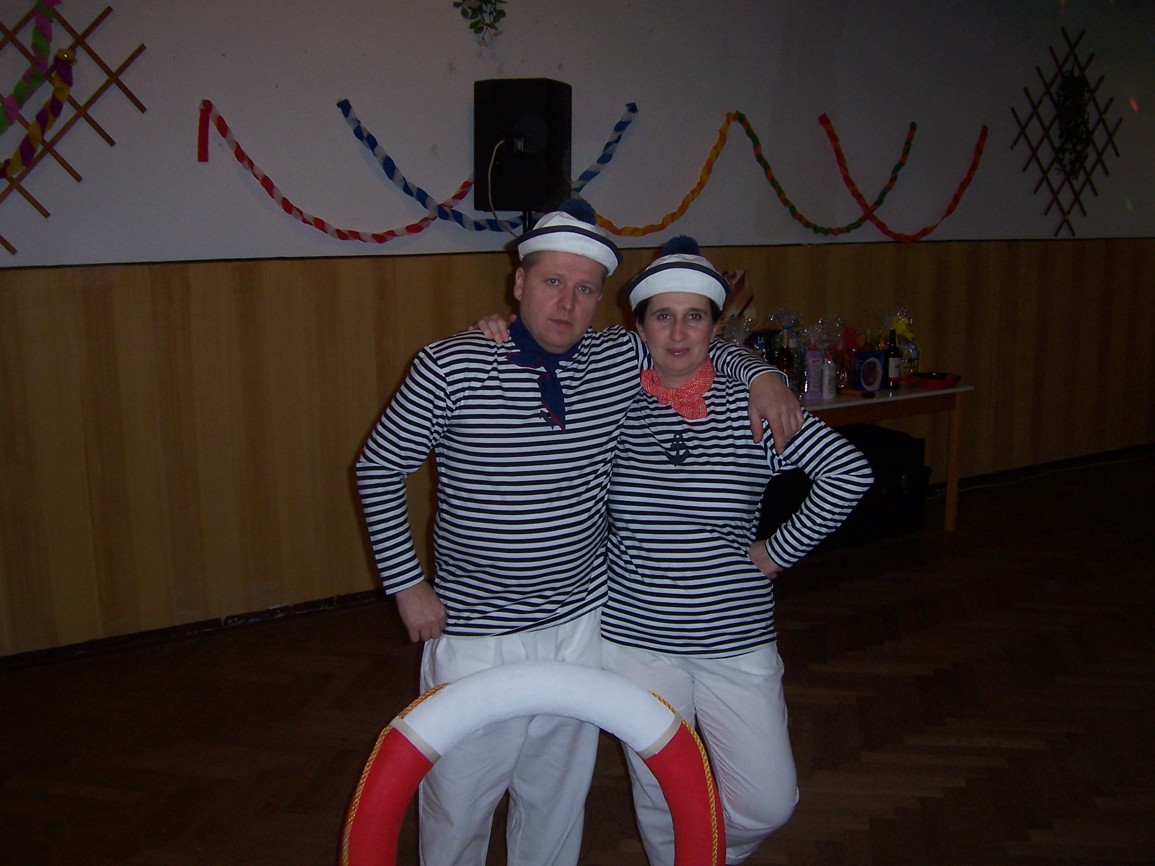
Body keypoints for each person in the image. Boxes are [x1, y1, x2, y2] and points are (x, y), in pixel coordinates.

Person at [354, 200, 802, 866]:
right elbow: (378, 466)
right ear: (518, 283)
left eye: (585, 288)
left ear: (599, 299)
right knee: (458, 807)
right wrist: (406, 584)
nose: (567, 302)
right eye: (552, 282)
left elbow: (694, 342)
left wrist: (763, 375)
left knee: (555, 802)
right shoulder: (450, 365)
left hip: (578, 627)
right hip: (476, 632)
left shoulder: (618, 358)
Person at [600, 236, 874, 866]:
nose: (677, 333)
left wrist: (776, 552)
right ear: (639, 326)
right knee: (663, 796)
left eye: (694, 316)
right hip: (637, 639)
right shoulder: (611, 403)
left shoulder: (750, 405)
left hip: (735, 635)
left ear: (714, 327)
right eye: (662, 316)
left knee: (767, 802)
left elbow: (848, 473)